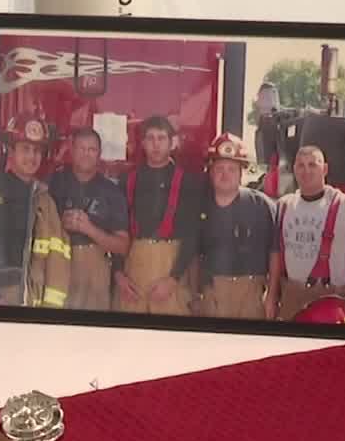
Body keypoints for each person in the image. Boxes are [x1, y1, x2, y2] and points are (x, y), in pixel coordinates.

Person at [116, 115, 207, 316]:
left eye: (161, 138)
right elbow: (118, 232)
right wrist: (119, 275)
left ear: (172, 142)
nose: (156, 144)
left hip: (171, 267)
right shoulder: (127, 180)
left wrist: (173, 279)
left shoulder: (189, 183)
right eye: (150, 138)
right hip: (134, 267)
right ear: (142, 143)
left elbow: (193, 236)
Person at [193, 133, 277, 320]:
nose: (225, 174)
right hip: (212, 293)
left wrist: (271, 296)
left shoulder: (261, 205)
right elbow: (194, 255)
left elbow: (275, 252)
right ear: (210, 171)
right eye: (219, 168)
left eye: (231, 169)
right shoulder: (200, 206)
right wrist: (195, 295)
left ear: (241, 172)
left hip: (251, 294)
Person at [0, 116, 70, 308]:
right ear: (11, 151)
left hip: (33, 295)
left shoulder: (44, 198)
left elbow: (56, 257)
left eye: (37, 151)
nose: (32, 157)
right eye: (25, 149)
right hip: (3, 295)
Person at [45, 127, 129, 311]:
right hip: (56, 262)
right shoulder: (54, 183)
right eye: (81, 148)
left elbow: (122, 246)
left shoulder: (111, 191)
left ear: (99, 153)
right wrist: (60, 225)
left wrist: (89, 228)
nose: (86, 154)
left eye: (92, 149)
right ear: (72, 150)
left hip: (95, 267)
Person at [269, 145, 345, 321]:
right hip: (291, 299)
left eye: (312, 165)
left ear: (325, 169)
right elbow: (275, 255)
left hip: (329, 301)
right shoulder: (283, 205)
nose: (306, 171)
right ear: (294, 169)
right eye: (301, 165)